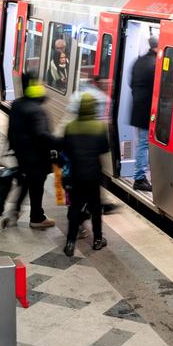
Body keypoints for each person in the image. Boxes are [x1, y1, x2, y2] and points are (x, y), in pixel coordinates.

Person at [62, 94, 110, 256]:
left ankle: (70, 243)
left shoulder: (70, 127)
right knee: (96, 210)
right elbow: (104, 149)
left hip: (75, 176)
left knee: (75, 209)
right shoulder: (100, 127)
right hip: (93, 176)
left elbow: (66, 149)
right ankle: (97, 240)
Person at [7, 74, 56, 229]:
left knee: (26, 181)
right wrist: (59, 143)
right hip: (36, 157)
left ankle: (15, 211)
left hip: (21, 154)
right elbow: (42, 135)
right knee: (36, 186)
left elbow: (11, 130)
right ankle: (37, 218)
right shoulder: (36, 111)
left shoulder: (17, 104)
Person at [129, 35, 158, 192]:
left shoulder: (139, 61)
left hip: (139, 108)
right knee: (144, 143)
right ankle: (139, 178)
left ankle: (142, 175)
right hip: (148, 110)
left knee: (143, 143)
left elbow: (131, 83)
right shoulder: (154, 64)